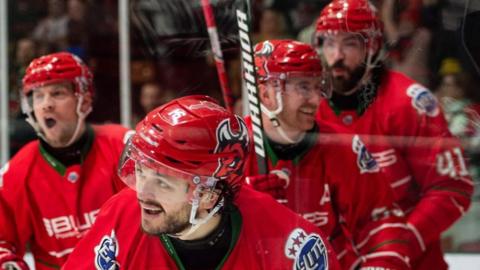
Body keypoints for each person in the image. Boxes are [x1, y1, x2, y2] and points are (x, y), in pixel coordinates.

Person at [62, 95, 341, 270]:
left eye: (162, 181)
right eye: (142, 171)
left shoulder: (291, 245)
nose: (141, 193)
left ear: (208, 196)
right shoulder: (122, 215)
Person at [313, 0, 474, 268]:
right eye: (329, 43)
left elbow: (450, 187)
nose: (336, 55)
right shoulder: (311, 108)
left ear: (373, 46)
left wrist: (396, 248)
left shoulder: (408, 102)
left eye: (350, 44)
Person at [244, 39, 414, 269]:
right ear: (265, 94)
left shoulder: (342, 146)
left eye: (318, 86)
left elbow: (381, 223)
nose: (316, 99)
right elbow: (196, 237)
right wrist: (241, 204)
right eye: (304, 87)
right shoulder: (230, 151)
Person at [0, 52, 129, 270]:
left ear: (84, 100)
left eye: (57, 93)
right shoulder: (17, 172)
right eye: (38, 96)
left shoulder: (122, 147)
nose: (45, 105)